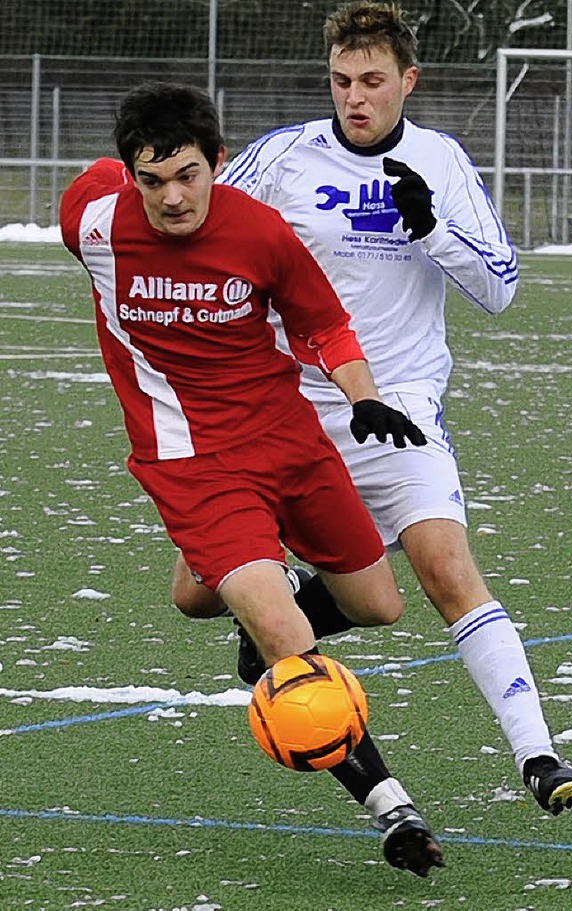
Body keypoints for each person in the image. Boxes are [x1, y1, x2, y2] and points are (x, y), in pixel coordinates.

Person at [172, 1, 572, 817]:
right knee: (194, 592)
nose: (354, 98)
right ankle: (281, 601)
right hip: (284, 403)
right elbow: (205, 228)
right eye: (340, 81)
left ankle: (538, 752)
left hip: (395, 405)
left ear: (408, 81)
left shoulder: (440, 159)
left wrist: (430, 227)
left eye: (371, 81)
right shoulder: (284, 156)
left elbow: (500, 288)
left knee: (444, 567)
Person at [59, 80, 445, 878]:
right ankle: (391, 805)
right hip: (191, 462)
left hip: (286, 439)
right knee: (284, 636)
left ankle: (231, 587)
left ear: (218, 164)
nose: (172, 197)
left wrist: (364, 397)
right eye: (152, 179)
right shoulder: (93, 217)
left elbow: (324, 321)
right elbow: (97, 179)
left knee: (377, 603)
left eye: (189, 175)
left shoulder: (261, 231)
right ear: (129, 173)